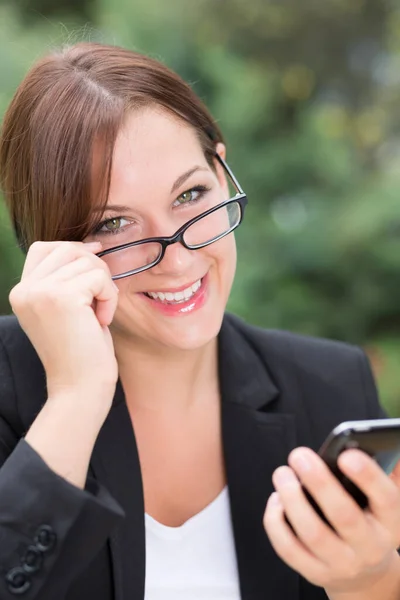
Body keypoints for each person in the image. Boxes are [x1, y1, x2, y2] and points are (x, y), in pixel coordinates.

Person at [0, 42, 399, 600]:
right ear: (52, 248)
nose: (180, 259)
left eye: (190, 194)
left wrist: (372, 581)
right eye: (115, 223)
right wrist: (73, 399)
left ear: (221, 167)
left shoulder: (329, 385)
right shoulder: (10, 390)